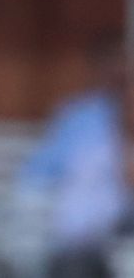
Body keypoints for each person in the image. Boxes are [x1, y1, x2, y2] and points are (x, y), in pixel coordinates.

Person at [18, 34, 133, 277]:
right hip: (88, 236)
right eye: (115, 64)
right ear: (98, 69)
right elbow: (38, 175)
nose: (121, 72)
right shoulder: (80, 120)